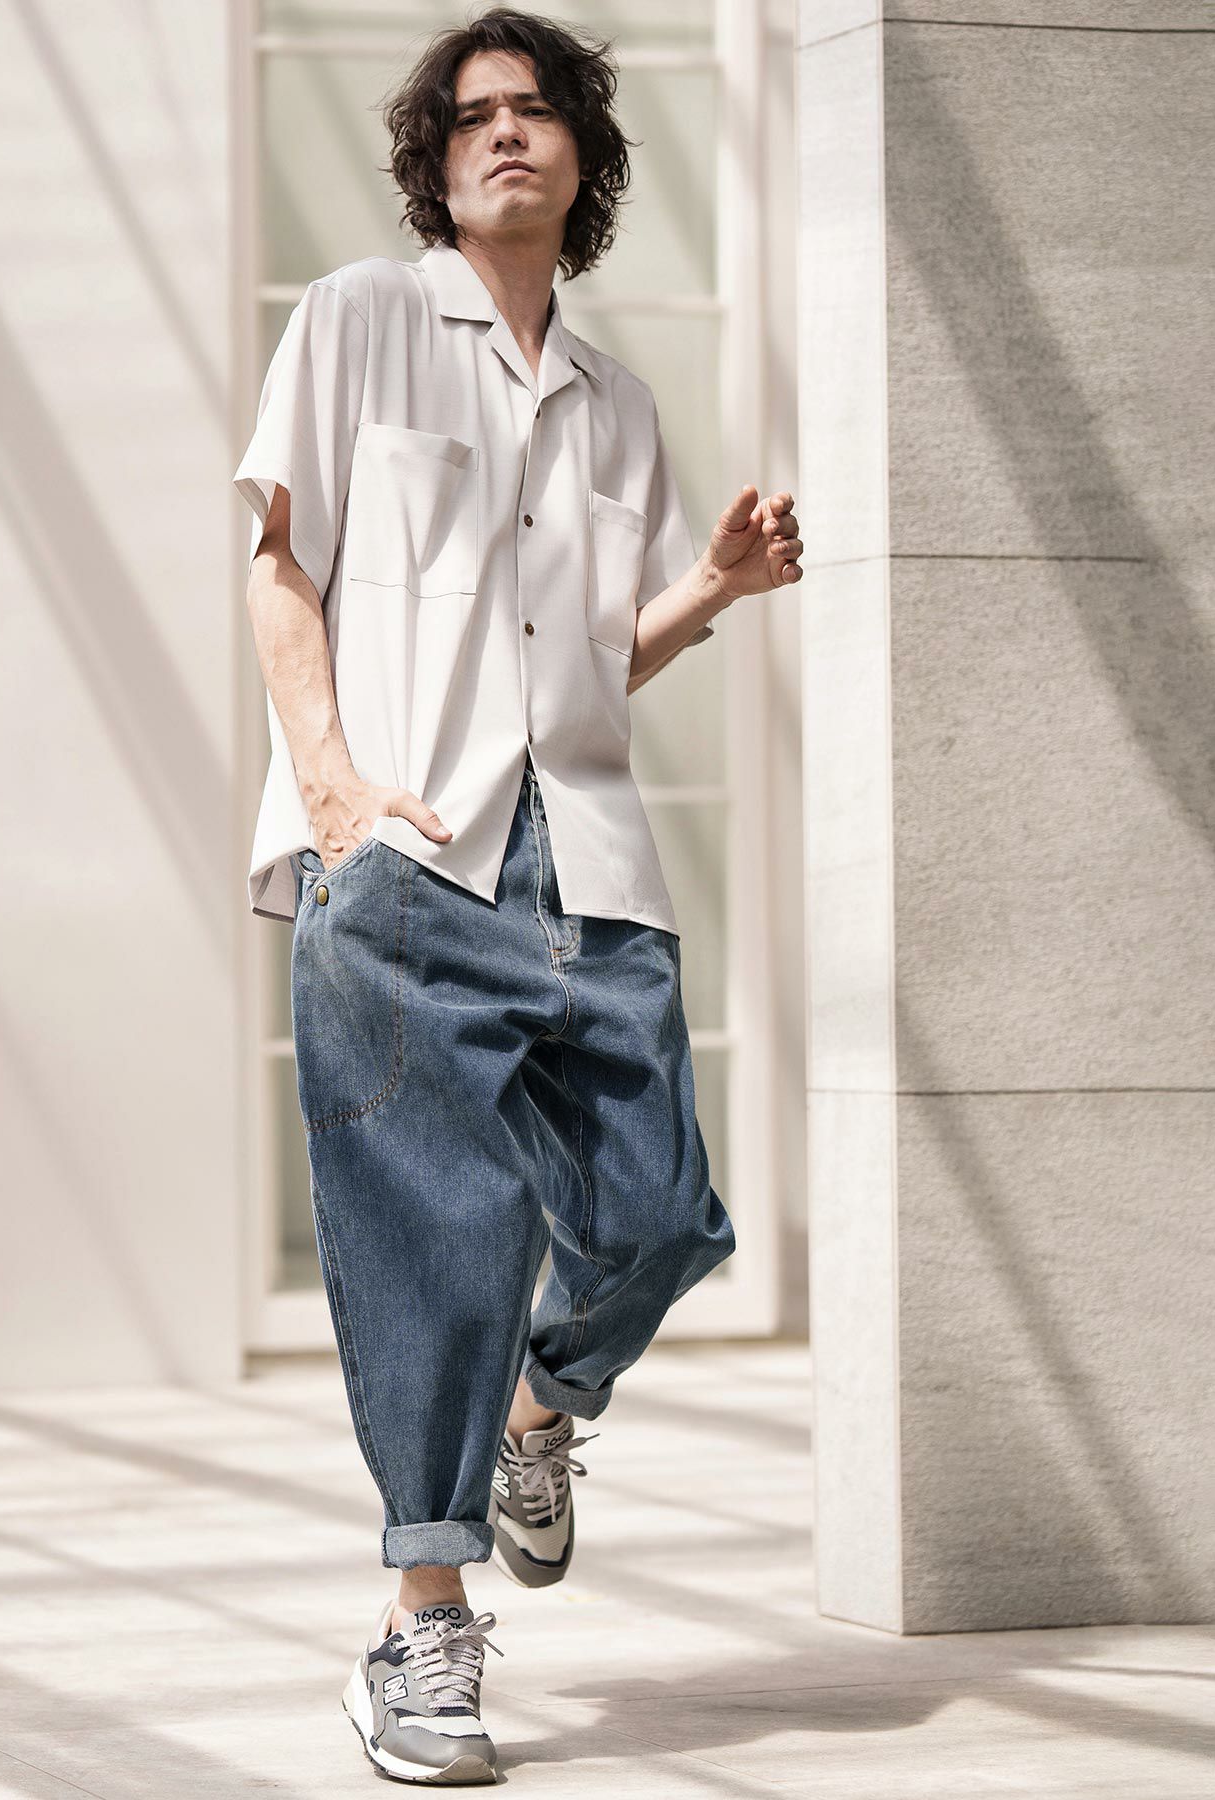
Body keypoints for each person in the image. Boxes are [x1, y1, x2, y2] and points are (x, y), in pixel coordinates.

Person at [232, 8, 803, 1784]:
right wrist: (333, 796)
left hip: (591, 857)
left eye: (538, 110)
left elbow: (582, 663)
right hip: (411, 857)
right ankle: (422, 1629)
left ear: (583, 157)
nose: (506, 132)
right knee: (439, 1240)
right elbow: (280, 563)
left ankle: (538, 1415)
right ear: (435, 159)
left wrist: (710, 590)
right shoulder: (356, 321)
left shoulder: (620, 405)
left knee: (663, 1215)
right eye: (473, 114)